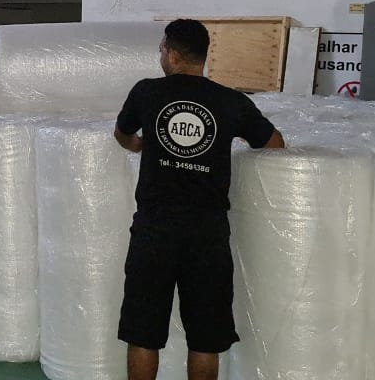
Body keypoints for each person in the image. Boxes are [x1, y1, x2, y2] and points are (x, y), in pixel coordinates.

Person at [113, 19, 284, 380]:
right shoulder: (231, 101)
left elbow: (122, 134)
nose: (161, 55)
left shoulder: (146, 92)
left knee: (143, 333)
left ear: (173, 55)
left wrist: (143, 145)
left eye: (162, 50)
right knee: (205, 339)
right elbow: (274, 144)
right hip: (207, 234)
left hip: (154, 229)